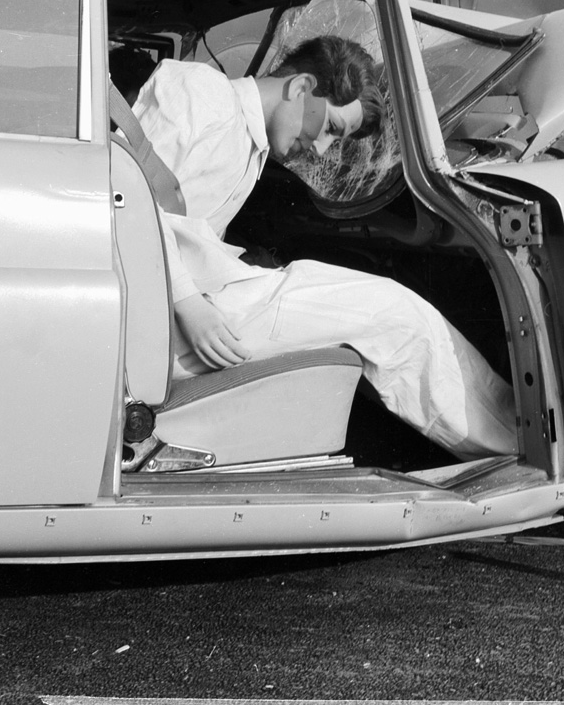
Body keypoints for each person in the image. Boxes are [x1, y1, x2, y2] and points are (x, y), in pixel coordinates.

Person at [130, 36, 517, 460]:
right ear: (300, 87)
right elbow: (121, 195)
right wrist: (188, 303)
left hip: (177, 315)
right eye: (331, 127)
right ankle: (518, 448)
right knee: (395, 316)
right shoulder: (202, 90)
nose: (321, 148)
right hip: (160, 321)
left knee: (387, 315)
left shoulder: (247, 142)